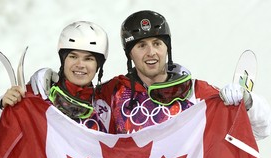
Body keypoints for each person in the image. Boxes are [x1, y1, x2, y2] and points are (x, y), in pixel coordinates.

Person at [96, 10, 271, 137]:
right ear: (129, 53)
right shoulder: (112, 94)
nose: (151, 52)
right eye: (141, 46)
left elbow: (261, 131)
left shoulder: (196, 92)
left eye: (157, 43)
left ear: (167, 48)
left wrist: (248, 101)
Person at [0, 20, 111, 155]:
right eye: (73, 56)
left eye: (89, 59)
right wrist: (1, 109)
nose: (80, 64)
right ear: (63, 60)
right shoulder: (37, 96)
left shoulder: (105, 109)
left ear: (98, 65)